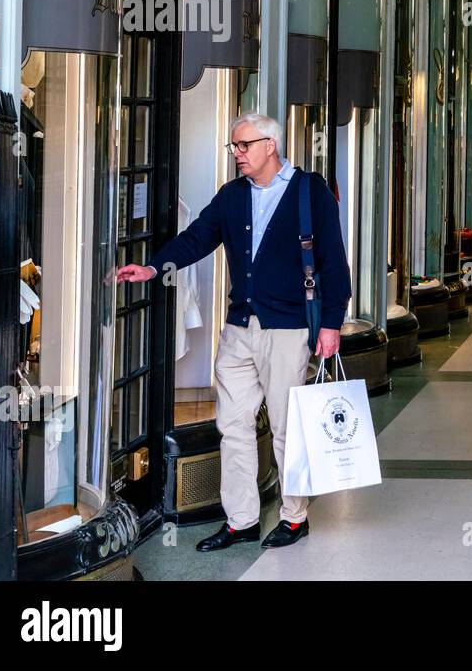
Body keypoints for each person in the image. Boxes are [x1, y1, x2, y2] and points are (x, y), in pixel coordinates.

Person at [115, 113, 351, 551]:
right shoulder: (232, 196)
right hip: (240, 325)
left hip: (289, 328)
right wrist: (152, 267)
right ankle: (241, 520)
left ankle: (294, 517)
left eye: (243, 145)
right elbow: (197, 238)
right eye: (234, 147)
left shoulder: (308, 191)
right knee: (234, 424)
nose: (237, 154)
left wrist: (332, 322)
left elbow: (333, 260)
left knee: (285, 426)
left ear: (270, 146)